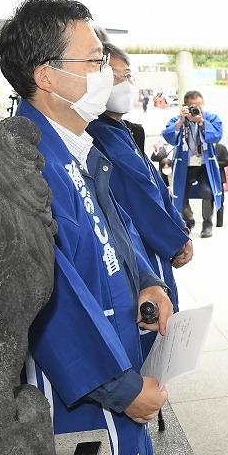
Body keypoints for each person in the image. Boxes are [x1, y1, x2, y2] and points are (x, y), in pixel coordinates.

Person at [0, 0, 173, 455]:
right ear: (46, 76)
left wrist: (146, 281)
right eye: (94, 61)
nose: (106, 73)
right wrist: (121, 389)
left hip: (117, 345)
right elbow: (48, 300)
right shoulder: (25, 163)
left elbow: (115, 227)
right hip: (84, 384)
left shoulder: (77, 144)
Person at [87, 43, 193, 345]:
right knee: (151, 326)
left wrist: (178, 225)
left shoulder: (123, 129)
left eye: (128, 75)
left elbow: (155, 185)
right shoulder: (99, 132)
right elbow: (137, 197)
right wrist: (174, 239)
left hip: (157, 242)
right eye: (115, 77)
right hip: (141, 249)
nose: (125, 85)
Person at [160, 90, 224, 238]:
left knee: (208, 192)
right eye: (192, 106)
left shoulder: (210, 118)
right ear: (184, 106)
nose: (197, 109)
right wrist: (181, 121)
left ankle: (207, 225)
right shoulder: (178, 119)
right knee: (180, 195)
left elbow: (216, 136)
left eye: (199, 106)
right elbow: (169, 137)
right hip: (185, 165)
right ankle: (189, 220)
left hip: (204, 165)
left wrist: (201, 122)